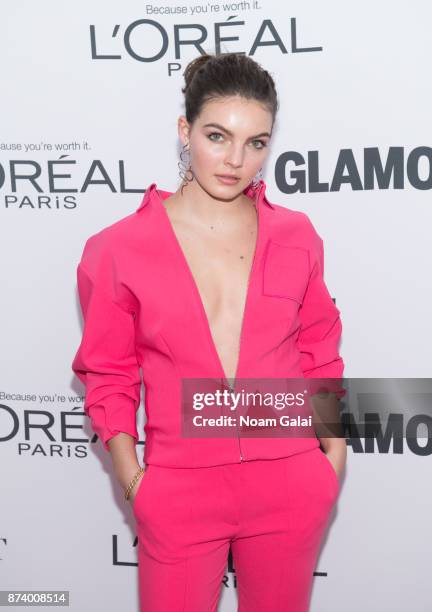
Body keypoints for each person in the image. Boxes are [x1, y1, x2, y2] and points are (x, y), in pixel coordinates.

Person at [71, 52, 347, 612]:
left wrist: (333, 457)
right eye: (217, 136)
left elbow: (320, 354)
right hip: (179, 488)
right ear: (185, 130)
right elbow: (108, 374)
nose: (236, 160)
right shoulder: (117, 249)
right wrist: (134, 482)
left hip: (291, 480)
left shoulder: (297, 235)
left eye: (257, 142)